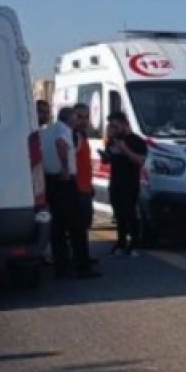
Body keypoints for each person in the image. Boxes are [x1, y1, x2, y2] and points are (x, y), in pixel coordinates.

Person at [42, 107, 98, 279]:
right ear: (69, 118)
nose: (77, 120)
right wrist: (65, 167)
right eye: (76, 117)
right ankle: (82, 266)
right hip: (66, 182)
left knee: (57, 227)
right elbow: (61, 144)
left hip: (51, 180)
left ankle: (62, 267)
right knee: (77, 227)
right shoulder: (64, 130)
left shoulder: (46, 131)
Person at [103, 111, 147, 256]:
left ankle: (134, 242)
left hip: (130, 183)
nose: (113, 129)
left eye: (115, 126)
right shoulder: (112, 141)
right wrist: (107, 156)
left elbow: (140, 161)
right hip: (115, 181)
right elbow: (109, 159)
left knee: (130, 213)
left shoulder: (136, 141)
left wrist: (125, 150)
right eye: (111, 126)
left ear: (124, 124)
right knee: (119, 214)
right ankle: (121, 242)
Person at [72, 103, 96, 236]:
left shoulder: (83, 136)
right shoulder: (73, 136)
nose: (84, 121)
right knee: (79, 226)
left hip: (85, 188)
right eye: (80, 117)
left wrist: (90, 185)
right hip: (76, 190)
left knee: (85, 223)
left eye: (86, 117)